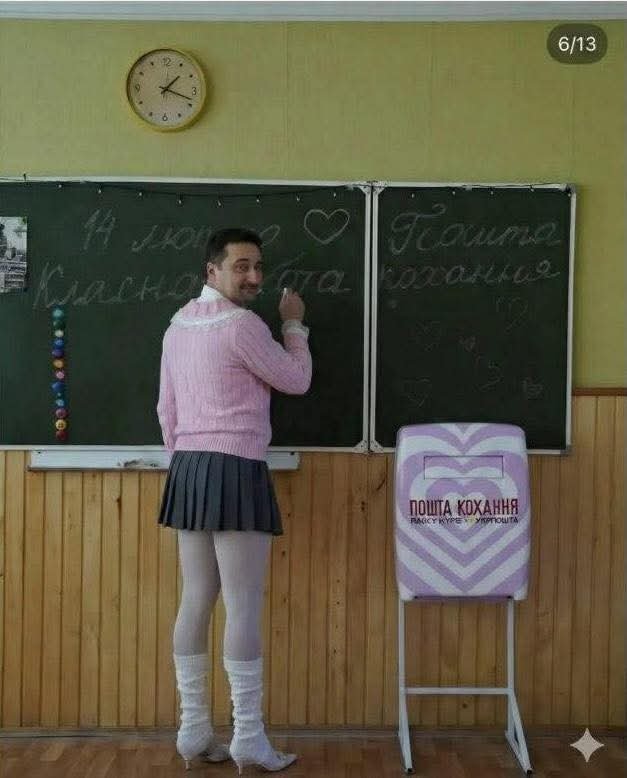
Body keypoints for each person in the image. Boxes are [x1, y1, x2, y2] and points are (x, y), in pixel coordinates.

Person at [156, 227, 311, 773]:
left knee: (196, 597)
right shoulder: (243, 325)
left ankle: (193, 732)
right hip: (235, 466)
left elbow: (166, 411)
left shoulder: (177, 325)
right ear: (212, 271)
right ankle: (248, 738)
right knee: (242, 604)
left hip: (187, 467)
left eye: (258, 267)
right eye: (241, 266)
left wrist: (189, 462)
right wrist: (293, 325)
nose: (253, 277)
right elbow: (296, 380)